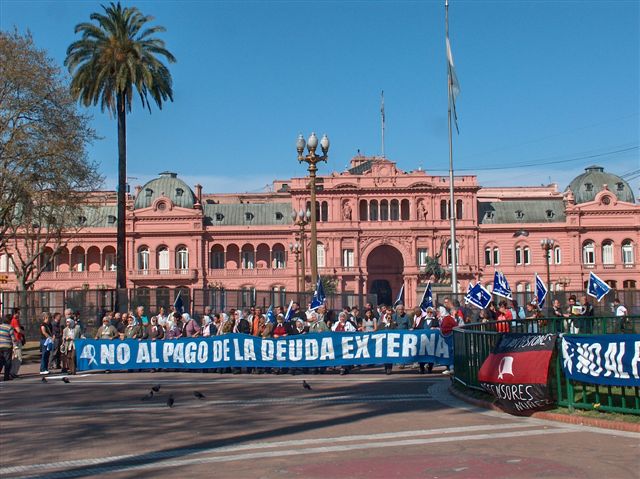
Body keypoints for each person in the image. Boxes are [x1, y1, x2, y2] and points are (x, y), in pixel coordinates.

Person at [410, 306, 430, 374]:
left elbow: (421, 326)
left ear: (419, 311)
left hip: (425, 338)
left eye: (416, 312)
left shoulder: (424, 317)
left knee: (426, 353)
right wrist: (413, 328)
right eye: (414, 312)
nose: (415, 313)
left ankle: (428, 367)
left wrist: (415, 328)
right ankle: (421, 368)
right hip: (418, 338)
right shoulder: (415, 316)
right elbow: (415, 325)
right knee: (420, 353)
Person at [9, 310, 25, 379]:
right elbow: (18, 330)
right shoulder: (14, 320)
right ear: (15, 313)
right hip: (16, 341)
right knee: (18, 357)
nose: (19, 314)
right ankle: (13, 372)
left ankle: (13, 372)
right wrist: (23, 332)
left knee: (16, 357)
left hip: (17, 340)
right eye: (18, 313)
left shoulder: (16, 320)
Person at [0, 314, 15, 381]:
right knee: (7, 362)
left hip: (0, 346)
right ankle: (6, 377)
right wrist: (15, 345)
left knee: (0, 361)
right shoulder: (10, 327)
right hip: (7, 346)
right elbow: (13, 338)